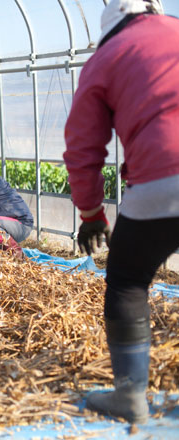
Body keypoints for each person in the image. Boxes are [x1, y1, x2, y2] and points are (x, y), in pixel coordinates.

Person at [63, 0, 179, 424]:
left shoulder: (108, 56)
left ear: (111, 25)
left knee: (128, 280)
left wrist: (92, 213)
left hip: (164, 176)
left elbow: (82, 146)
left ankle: (131, 398)